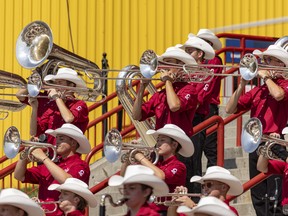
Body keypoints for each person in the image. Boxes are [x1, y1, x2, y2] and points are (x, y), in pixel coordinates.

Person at [225, 44, 288, 216]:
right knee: (258, 195)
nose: (265, 63)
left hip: (276, 144)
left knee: (275, 193)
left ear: (282, 64)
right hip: (255, 142)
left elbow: (279, 95)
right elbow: (229, 109)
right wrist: (242, 83)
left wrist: (267, 78)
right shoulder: (258, 90)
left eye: (270, 60)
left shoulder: (285, 84)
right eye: (265, 60)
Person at [14, 123, 91, 216]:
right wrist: (25, 154)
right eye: (57, 138)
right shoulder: (51, 164)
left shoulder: (81, 165)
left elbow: (67, 181)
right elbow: (18, 175)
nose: (56, 142)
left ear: (73, 143)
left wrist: (43, 158)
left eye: (61, 139)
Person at [120, 124, 194, 215]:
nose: (158, 143)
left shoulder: (179, 166)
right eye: (158, 140)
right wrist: (128, 158)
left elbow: (160, 176)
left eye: (162, 140)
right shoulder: (154, 163)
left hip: (165, 211)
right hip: (147, 209)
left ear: (174, 145)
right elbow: (124, 176)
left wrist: (141, 158)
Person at [132, 46, 199, 137]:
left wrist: (168, 80)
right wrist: (142, 87)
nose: (164, 67)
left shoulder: (189, 90)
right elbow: (136, 115)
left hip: (178, 142)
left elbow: (174, 106)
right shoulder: (160, 95)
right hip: (161, 141)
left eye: (169, 62)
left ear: (180, 66)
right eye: (163, 63)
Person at [178, 34, 215, 197]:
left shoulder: (206, 73)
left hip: (195, 121)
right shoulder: (182, 73)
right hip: (180, 120)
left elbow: (197, 101)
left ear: (200, 54)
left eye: (190, 51)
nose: (186, 54)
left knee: (192, 164)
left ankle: (194, 200)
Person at [16, 67, 89, 145]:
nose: (56, 86)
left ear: (71, 85)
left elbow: (68, 118)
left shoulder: (79, 104)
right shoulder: (49, 100)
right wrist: (35, 79)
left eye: (60, 82)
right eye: (55, 82)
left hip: (66, 153)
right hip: (48, 151)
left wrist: (57, 98)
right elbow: (20, 95)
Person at [167, 166, 243, 216]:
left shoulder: (231, 211)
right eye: (203, 185)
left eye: (209, 185)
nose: (205, 188)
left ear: (223, 187)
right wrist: (173, 205)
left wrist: (193, 207)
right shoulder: (197, 206)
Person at [196, 29, 223, 168]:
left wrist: (193, 101)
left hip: (206, 107)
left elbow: (207, 85)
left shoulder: (214, 60)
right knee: (198, 146)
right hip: (199, 106)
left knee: (209, 146)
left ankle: (213, 175)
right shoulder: (201, 61)